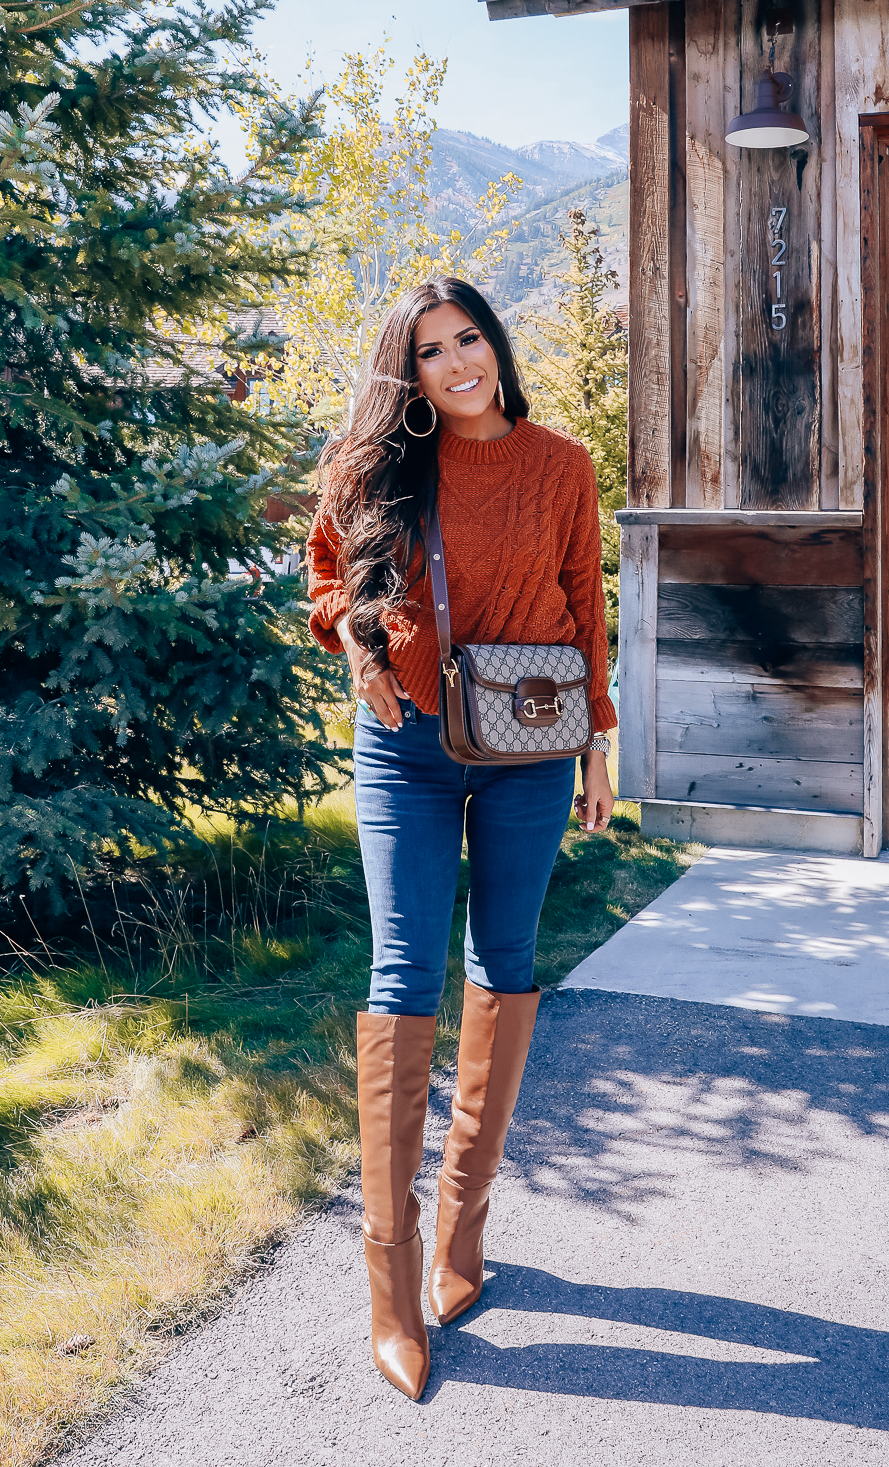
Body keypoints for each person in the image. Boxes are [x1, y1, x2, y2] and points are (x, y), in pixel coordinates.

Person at [307, 276, 618, 1402]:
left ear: (496, 345)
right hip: (404, 748)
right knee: (403, 973)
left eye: (469, 339)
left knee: (508, 964)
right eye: (431, 351)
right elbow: (328, 581)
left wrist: (599, 741)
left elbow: (584, 603)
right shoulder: (373, 465)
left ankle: (460, 1244)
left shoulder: (562, 465)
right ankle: (392, 1292)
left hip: (532, 743)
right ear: (411, 370)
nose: (457, 364)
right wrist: (364, 658)